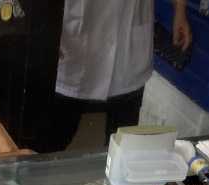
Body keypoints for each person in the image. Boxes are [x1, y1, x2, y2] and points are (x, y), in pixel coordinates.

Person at [45, 0, 192, 152]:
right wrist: (44, 28)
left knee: (122, 147)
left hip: (127, 54)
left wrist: (179, 9)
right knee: (50, 145)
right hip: (72, 47)